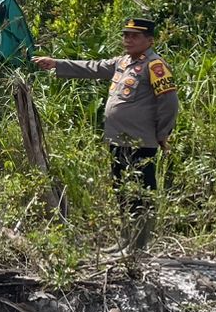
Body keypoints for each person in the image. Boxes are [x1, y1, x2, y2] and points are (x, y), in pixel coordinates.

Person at [32, 17, 179, 255]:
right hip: (117, 140)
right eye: (126, 35)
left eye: (135, 36)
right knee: (121, 190)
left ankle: (139, 246)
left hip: (140, 142)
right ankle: (125, 239)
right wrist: (55, 63)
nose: (128, 40)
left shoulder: (154, 65)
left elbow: (169, 103)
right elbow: (92, 67)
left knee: (141, 193)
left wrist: (162, 134)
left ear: (149, 40)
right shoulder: (122, 62)